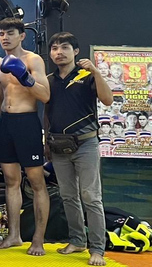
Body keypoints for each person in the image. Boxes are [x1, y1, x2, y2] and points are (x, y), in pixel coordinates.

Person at [46, 32, 113, 266]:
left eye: (64, 47)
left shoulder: (87, 76)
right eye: (54, 48)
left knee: (91, 197)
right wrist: (46, 142)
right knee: (67, 196)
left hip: (86, 143)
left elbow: (108, 100)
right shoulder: (49, 79)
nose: (59, 52)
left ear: (75, 51)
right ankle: (77, 240)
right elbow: (47, 114)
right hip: (57, 145)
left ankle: (97, 249)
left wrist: (95, 71)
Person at [0, 18, 50, 256]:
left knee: (37, 182)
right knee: (10, 181)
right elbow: (1, 97)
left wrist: (24, 77)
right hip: (6, 123)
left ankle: (38, 239)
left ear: (22, 35)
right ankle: (14, 235)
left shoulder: (32, 60)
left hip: (27, 122)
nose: (5, 37)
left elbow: (45, 95)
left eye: (10, 33)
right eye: (1, 34)